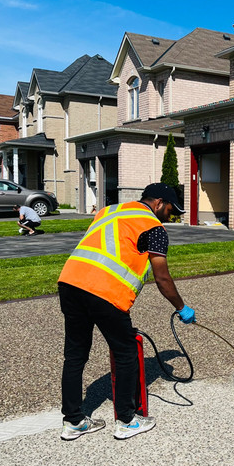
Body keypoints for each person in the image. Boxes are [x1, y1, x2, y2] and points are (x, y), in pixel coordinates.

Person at [57, 183, 195, 442]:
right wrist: (181, 307)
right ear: (157, 203)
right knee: (126, 353)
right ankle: (127, 421)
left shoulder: (108, 211)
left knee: (75, 355)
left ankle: (73, 421)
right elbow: (162, 278)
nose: (170, 216)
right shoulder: (153, 227)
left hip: (70, 283)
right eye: (170, 210)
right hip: (104, 291)